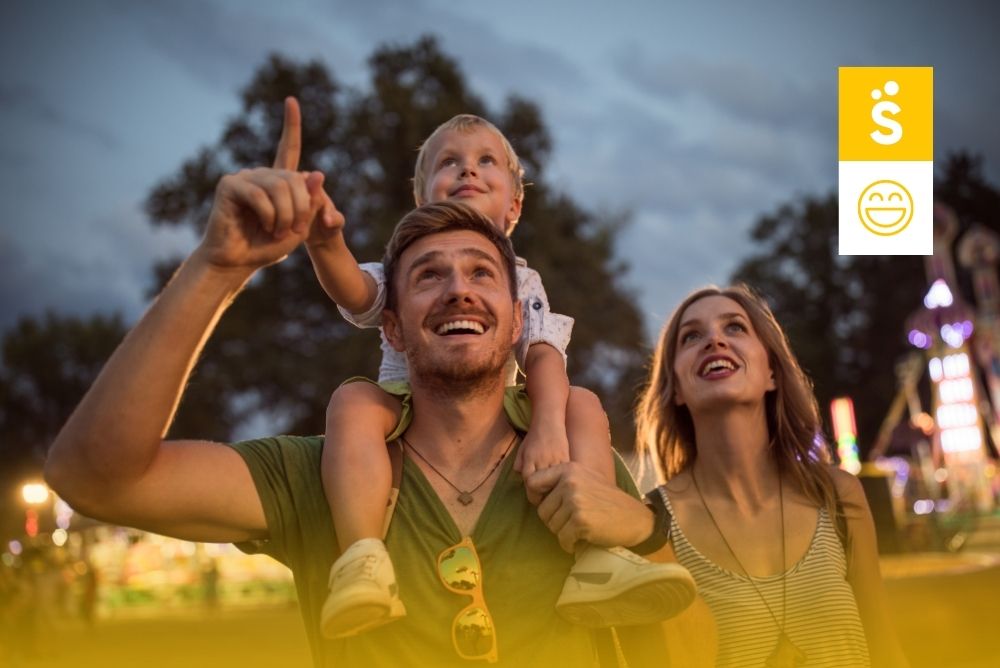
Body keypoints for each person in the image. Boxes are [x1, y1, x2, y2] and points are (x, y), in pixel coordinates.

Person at [44, 98, 676, 667]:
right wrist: (219, 266)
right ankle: (363, 562)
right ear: (391, 327)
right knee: (352, 398)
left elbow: (688, 628)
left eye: (483, 273)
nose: (458, 287)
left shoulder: (577, 460)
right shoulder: (324, 475)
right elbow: (93, 479)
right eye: (429, 275)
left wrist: (644, 529)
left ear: (517, 317)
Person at [304, 111, 693, 638]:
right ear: (424, 198)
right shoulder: (401, 264)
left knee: (579, 402)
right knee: (352, 403)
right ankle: (363, 560)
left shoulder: (524, 280)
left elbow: (544, 355)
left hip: (495, 403)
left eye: (487, 161)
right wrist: (325, 243)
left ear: (514, 204)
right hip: (402, 402)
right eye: (449, 162)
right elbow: (354, 290)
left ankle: (598, 555)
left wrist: (549, 427)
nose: (468, 170)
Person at [635, 284, 910, 668]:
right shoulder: (653, 524)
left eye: (734, 328)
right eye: (692, 336)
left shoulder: (836, 494)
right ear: (676, 388)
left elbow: (886, 649)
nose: (714, 340)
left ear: (772, 373)